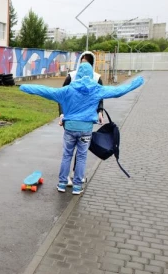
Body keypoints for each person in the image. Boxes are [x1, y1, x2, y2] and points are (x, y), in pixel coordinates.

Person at [19, 62, 144, 195]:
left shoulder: (67, 90)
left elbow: (45, 91)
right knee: (82, 157)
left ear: (77, 74)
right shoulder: (96, 89)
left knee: (67, 155)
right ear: (91, 75)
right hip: (86, 129)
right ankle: (77, 186)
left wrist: (25, 87)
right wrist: (136, 83)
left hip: (70, 128)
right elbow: (118, 92)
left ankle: (62, 183)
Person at [59, 52, 104, 186]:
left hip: (84, 122)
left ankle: (74, 175)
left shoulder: (96, 78)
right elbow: (62, 96)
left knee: (79, 152)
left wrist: (100, 111)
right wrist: (62, 114)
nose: (84, 66)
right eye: (83, 62)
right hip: (72, 120)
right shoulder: (71, 76)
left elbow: (100, 96)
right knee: (75, 152)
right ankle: (70, 180)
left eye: (87, 63)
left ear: (92, 64)